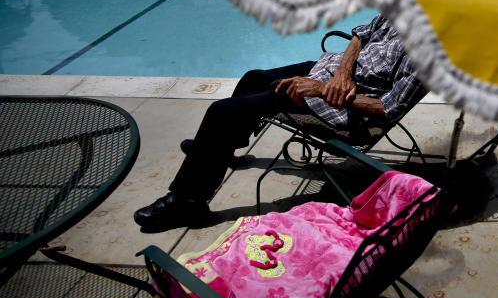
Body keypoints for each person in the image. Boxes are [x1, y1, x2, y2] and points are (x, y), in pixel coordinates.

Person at [133, 14, 427, 231]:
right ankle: (220, 150)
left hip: (340, 108)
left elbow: (388, 108)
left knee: (222, 112)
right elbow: (361, 34)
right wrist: (342, 74)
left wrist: (322, 90)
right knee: (253, 78)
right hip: (328, 72)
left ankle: (188, 203)